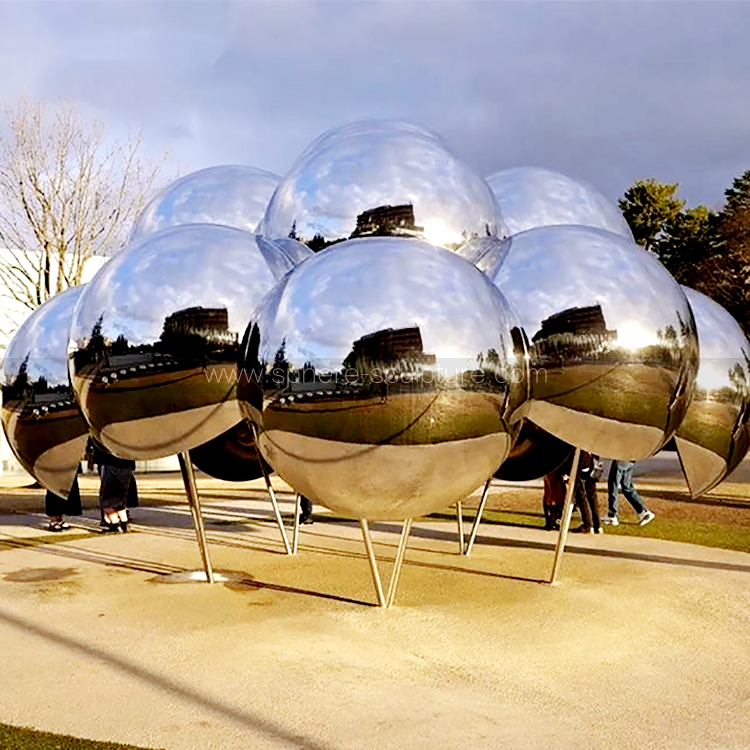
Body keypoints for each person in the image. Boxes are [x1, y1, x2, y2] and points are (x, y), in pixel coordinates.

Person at [93, 440, 138, 533]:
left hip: (110, 462)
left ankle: (115, 524)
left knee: (106, 502)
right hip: (126, 464)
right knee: (120, 501)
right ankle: (124, 523)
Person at [603, 460, 654, 526]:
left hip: (621, 458)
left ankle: (612, 515)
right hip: (630, 459)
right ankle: (643, 511)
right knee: (626, 487)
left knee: (613, 485)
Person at [570, 452, 603, 534]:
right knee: (592, 497)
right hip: (593, 463)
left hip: (582, 463)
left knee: (581, 496)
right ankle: (597, 525)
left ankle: (588, 525)